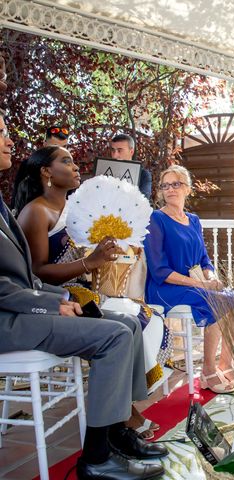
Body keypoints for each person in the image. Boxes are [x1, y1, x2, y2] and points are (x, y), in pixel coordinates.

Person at [0, 113, 166, 480]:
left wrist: (59, 294)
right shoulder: (33, 211)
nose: (10, 141)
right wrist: (52, 302)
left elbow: (24, 276)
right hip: (10, 320)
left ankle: (119, 429)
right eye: (1, 134)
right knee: (115, 334)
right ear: (46, 173)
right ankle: (96, 457)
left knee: (127, 322)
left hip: (27, 306)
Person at [144, 165, 234, 393]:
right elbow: (158, 270)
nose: (170, 189)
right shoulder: (156, 219)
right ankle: (207, 370)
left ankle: (225, 363)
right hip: (164, 288)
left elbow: (204, 259)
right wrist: (201, 284)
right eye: (165, 185)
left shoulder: (193, 220)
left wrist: (211, 276)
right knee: (216, 301)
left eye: (176, 184)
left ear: (188, 189)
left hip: (195, 284)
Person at [110, 133, 152, 200]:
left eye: (119, 150)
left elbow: (143, 200)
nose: (115, 155)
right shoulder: (104, 170)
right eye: (113, 150)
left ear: (131, 151)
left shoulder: (143, 175)